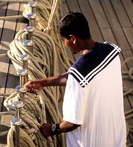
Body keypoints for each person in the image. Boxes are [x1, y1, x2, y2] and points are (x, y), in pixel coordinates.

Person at [24, 12, 126, 147]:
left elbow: (72, 123)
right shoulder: (112, 51)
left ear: (72, 38)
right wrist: (44, 82)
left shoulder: (78, 76)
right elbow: (80, 78)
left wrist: (52, 129)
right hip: (117, 139)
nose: (64, 45)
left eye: (63, 40)